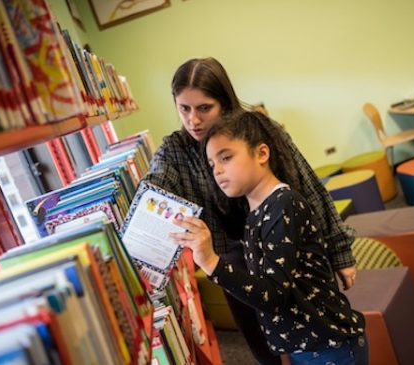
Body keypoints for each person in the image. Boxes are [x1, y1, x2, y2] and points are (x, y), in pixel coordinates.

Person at [139, 57, 358, 364]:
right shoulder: (176, 147)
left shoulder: (260, 130)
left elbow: (310, 188)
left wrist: (340, 253)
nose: (194, 120)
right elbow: (156, 184)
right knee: (266, 342)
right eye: (184, 109)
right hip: (233, 261)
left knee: (314, 329)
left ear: (225, 102)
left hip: (287, 243)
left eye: (204, 108)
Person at [170, 110, 367, 364]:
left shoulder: (283, 205)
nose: (217, 171)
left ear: (262, 154)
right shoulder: (255, 210)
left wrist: (210, 261)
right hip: (306, 347)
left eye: (226, 158)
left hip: (329, 347)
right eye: (212, 164)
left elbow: (273, 295)